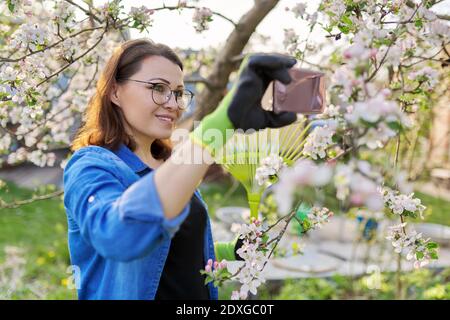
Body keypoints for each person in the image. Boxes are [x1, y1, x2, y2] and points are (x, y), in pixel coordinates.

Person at [63, 38, 297, 300]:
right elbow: (118, 236)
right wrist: (220, 123)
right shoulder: (90, 166)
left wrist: (234, 249)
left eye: (177, 93)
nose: (173, 104)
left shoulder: (168, 165)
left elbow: (172, 252)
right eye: (158, 88)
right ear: (115, 92)